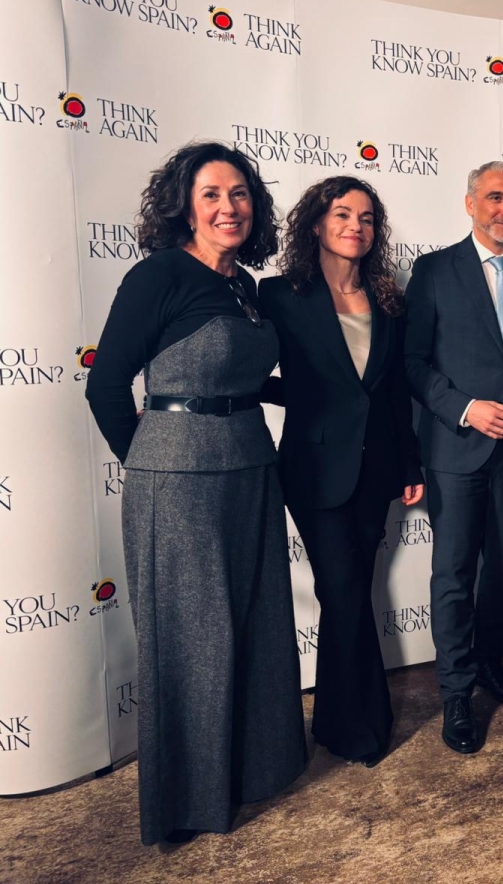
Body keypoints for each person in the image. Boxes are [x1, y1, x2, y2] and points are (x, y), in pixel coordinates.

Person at [85, 141, 306, 845]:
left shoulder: (245, 284)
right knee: (192, 642)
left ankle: (254, 772)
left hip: (251, 468)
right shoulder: (157, 277)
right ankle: (190, 801)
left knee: (257, 625)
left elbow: (237, 373)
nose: (227, 207)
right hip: (176, 481)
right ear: (184, 205)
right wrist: (151, 460)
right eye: (211, 194)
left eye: (239, 194)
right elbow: (106, 384)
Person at [259, 176, 424, 768]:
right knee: (347, 591)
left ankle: (333, 718)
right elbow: (248, 369)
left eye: (367, 218)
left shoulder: (388, 299)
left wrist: (409, 462)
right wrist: (302, 395)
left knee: (346, 596)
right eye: (342, 214)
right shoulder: (279, 295)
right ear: (315, 225)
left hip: (377, 469)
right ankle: (364, 726)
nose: (356, 226)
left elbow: (395, 391)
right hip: (314, 467)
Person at [404, 160, 503, 754]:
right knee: (453, 576)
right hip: (455, 450)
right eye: (495, 198)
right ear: (470, 203)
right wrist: (467, 408)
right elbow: (413, 364)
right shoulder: (433, 270)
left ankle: (492, 666)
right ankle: (455, 693)